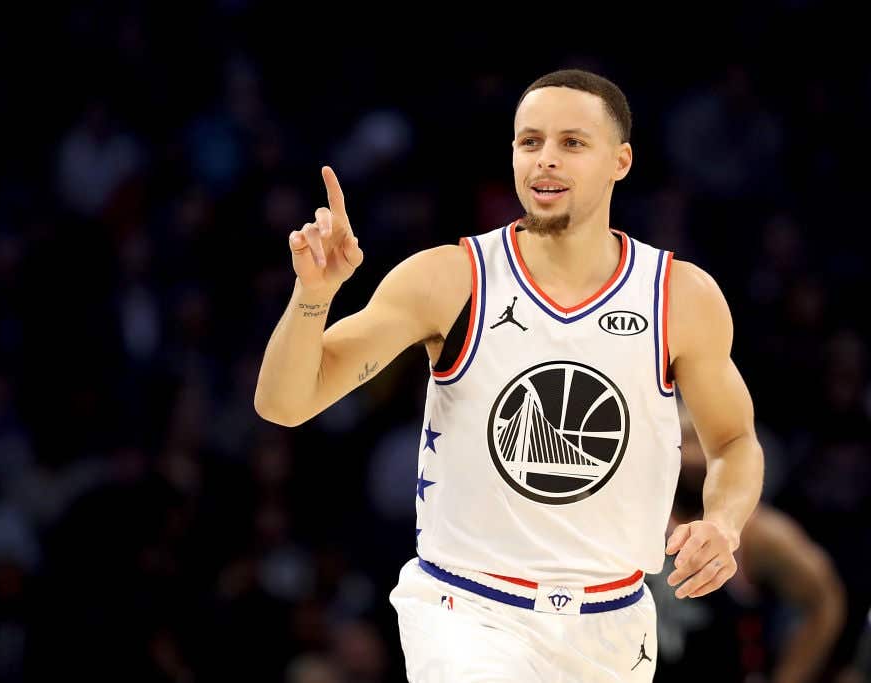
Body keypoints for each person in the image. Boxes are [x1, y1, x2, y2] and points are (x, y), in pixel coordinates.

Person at [254, 68, 765, 682]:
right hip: (464, 611)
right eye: (530, 142)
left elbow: (734, 443)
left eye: (572, 143)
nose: (545, 160)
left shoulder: (680, 296)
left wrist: (725, 524)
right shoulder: (450, 278)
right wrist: (313, 295)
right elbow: (285, 404)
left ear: (620, 161)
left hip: (614, 622)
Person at [650, 404, 845, 683]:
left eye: (703, 441)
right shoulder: (639, 517)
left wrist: (788, 677)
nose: (694, 454)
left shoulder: (758, 534)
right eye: (686, 440)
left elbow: (825, 600)